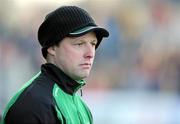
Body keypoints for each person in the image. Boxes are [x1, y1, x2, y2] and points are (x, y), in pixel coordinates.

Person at [1, 5, 109, 124]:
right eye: (79, 44)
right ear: (52, 47)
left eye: (93, 44)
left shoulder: (82, 107)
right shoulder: (32, 104)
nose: (90, 54)